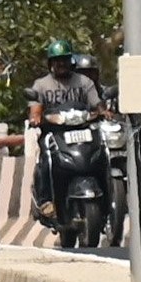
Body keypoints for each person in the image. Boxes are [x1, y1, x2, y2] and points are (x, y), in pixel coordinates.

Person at [27, 52, 108, 218]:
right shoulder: (42, 84)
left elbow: (97, 103)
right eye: (57, 61)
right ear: (51, 63)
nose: (61, 64)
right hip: (54, 132)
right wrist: (36, 118)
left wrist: (103, 112)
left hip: (83, 130)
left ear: (71, 61)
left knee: (103, 153)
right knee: (46, 160)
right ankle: (46, 200)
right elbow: (35, 109)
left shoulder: (84, 82)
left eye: (64, 60)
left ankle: (109, 198)